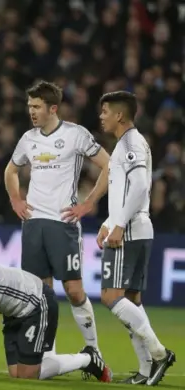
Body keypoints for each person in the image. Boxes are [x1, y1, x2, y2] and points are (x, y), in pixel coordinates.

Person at [4, 81, 109, 355]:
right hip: (33, 224)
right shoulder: (28, 139)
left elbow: (109, 165)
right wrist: (16, 199)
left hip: (63, 225)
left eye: (37, 106)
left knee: (74, 291)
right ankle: (47, 353)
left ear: (53, 108)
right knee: (41, 295)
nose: (32, 112)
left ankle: (93, 350)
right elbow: (10, 171)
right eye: (29, 106)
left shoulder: (76, 135)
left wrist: (88, 203)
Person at [97, 91, 176, 386]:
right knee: (131, 300)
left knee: (110, 296)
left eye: (105, 111)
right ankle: (146, 370)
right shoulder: (127, 144)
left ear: (119, 115)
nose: (101, 116)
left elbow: (142, 186)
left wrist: (118, 225)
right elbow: (125, 191)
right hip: (137, 228)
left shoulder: (130, 143)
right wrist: (108, 222)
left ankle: (158, 354)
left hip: (129, 231)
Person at [0, 264, 112, 382]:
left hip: (37, 302)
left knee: (28, 374)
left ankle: (88, 358)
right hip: (13, 313)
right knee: (16, 374)